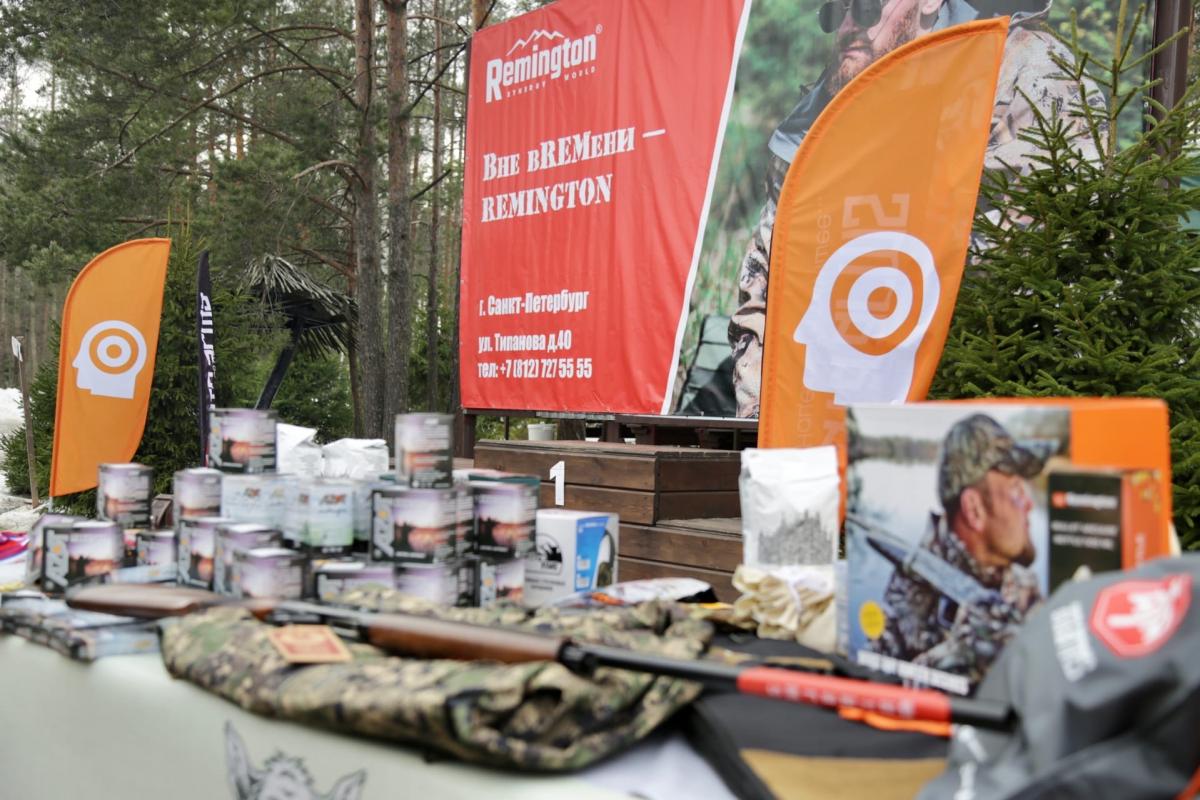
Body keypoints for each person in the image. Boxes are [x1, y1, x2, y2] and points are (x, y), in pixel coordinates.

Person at [725, 0, 1104, 418]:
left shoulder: (1020, 73)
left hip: (983, 405)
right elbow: (768, 288)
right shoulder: (823, 111)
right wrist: (762, 421)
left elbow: (1048, 253)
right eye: (836, 11)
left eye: (866, 7)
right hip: (827, 416)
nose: (848, 25)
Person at [874, 413, 1044, 684]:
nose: (1029, 504)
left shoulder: (1023, 583)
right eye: (1015, 490)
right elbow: (874, 683)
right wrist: (959, 658)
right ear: (974, 510)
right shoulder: (909, 595)